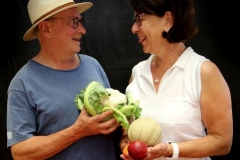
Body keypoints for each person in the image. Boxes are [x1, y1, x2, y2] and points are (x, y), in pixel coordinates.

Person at [6, 0, 120, 159]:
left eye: (80, 21)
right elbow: (20, 152)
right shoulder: (22, 83)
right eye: (73, 22)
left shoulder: (93, 65)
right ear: (46, 29)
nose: (82, 30)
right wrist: (77, 131)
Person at [119, 0, 233, 160]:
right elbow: (127, 135)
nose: (134, 28)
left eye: (139, 19)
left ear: (168, 20)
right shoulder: (137, 72)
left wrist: (170, 150)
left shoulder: (203, 71)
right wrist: (127, 146)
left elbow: (222, 142)